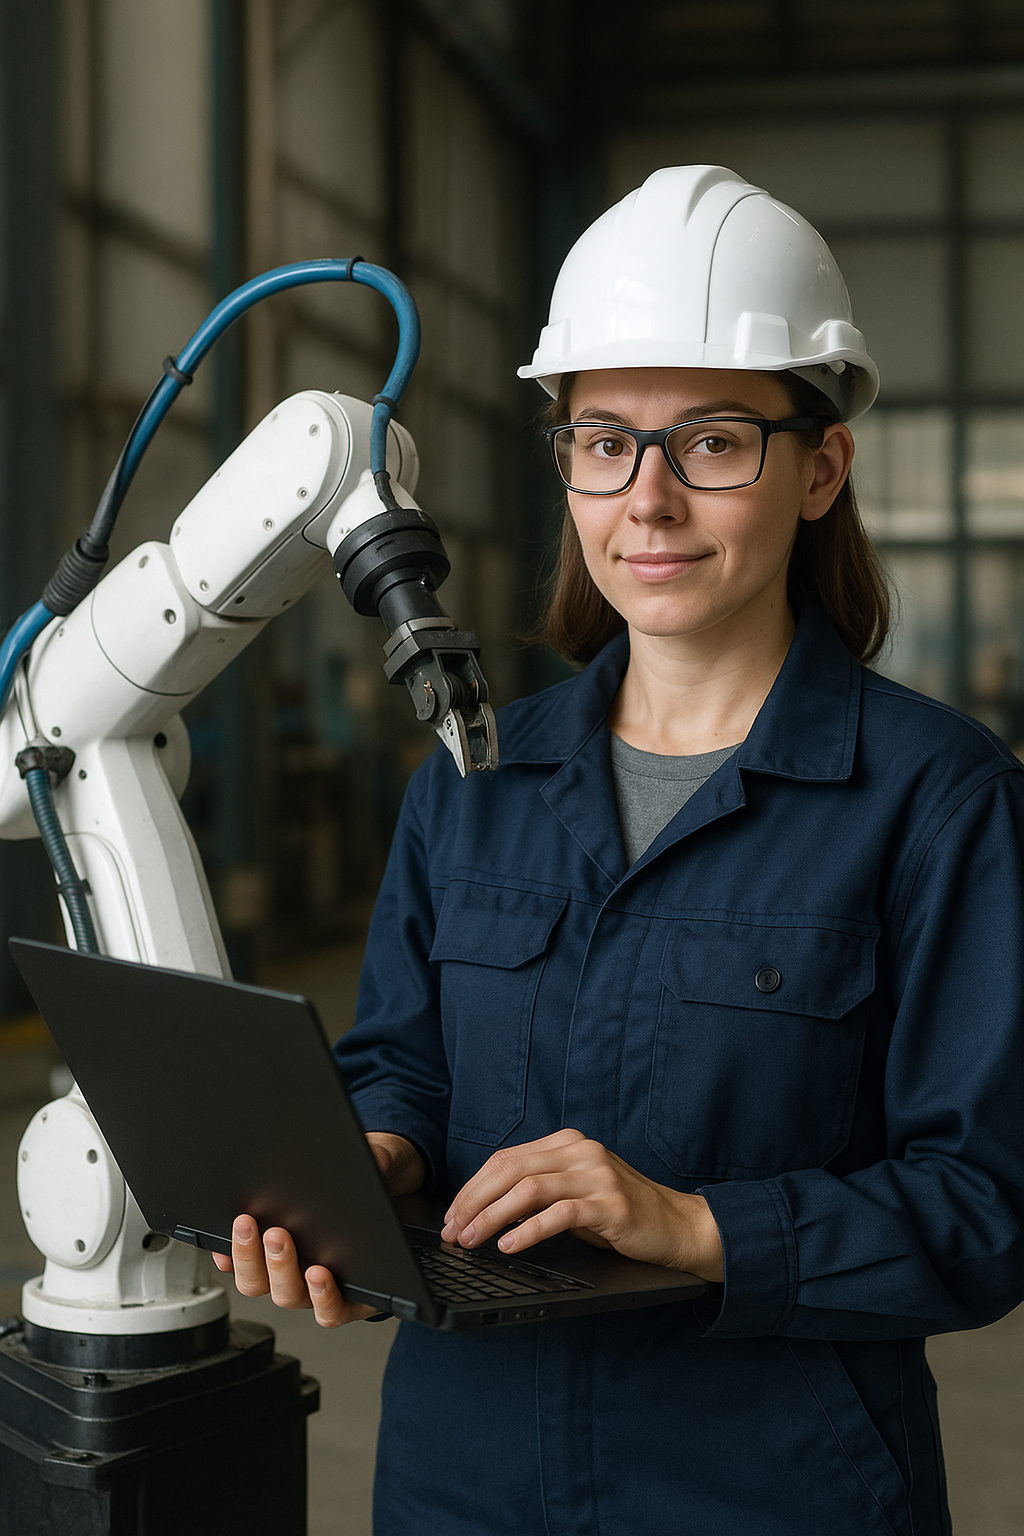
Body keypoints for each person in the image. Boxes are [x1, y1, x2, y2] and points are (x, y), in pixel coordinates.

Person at [215, 166, 1024, 1535]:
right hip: (459, 1478)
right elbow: (405, 1060)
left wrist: (696, 1226)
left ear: (820, 467)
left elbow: (984, 1207)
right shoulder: (473, 777)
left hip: (770, 1491)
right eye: (604, 441)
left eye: (712, 442)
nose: (646, 499)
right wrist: (369, 1162)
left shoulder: (937, 800)